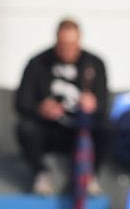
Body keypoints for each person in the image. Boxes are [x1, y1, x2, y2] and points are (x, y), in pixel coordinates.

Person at [14, 19, 109, 196]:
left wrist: (93, 105)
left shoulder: (94, 63)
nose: (67, 50)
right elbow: (21, 103)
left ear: (80, 41)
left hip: (80, 130)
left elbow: (104, 106)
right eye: (63, 44)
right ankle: (41, 173)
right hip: (49, 131)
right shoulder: (38, 63)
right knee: (26, 128)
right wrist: (41, 109)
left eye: (72, 44)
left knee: (107, 128)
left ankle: (91, 175)